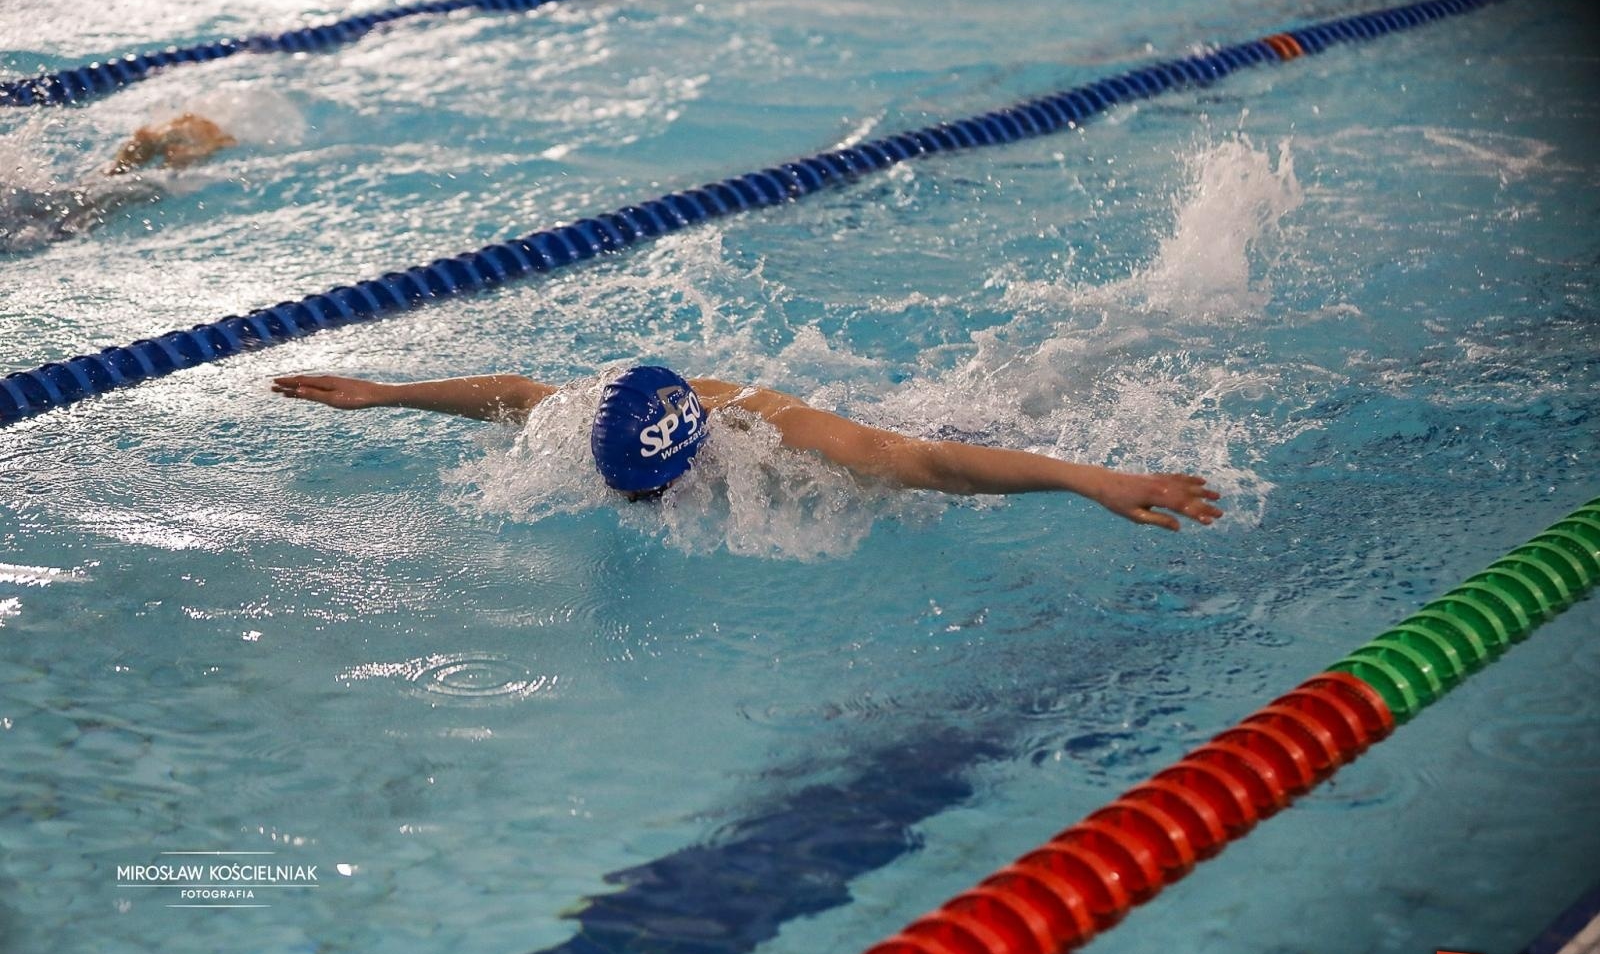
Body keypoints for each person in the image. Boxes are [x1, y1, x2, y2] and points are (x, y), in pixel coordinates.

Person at [271, 366, 1223, 531]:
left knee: (998, 412)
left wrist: (1091, 481)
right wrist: (386, 394)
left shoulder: (782, 435)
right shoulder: (597, 415)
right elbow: (516, 396)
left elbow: (931, 467)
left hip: (918, 442)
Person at [1, 113, 234, 252]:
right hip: (38, 213)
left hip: (41, 219)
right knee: (97, 188)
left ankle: (175, 148)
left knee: (126, 187)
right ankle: (164, 145)